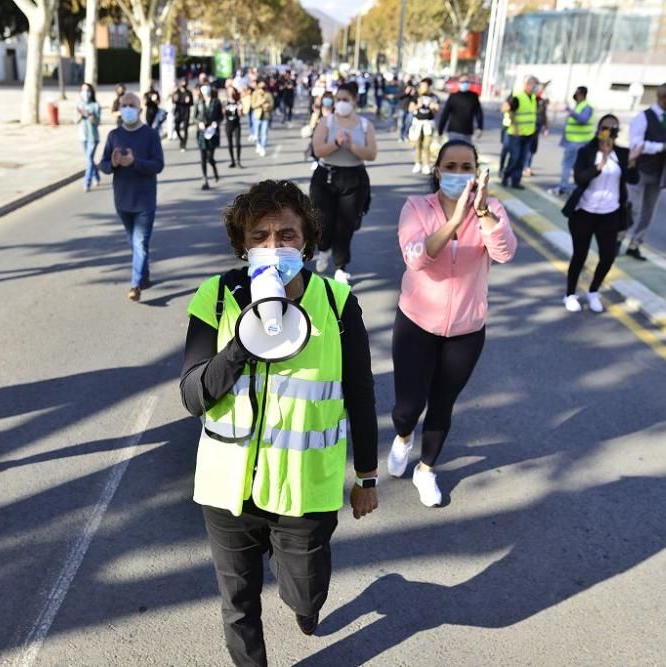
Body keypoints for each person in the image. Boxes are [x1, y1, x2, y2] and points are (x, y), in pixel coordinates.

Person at [180, 179, 379, 667]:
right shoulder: (217, 297)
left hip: (304, 490)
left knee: (305, 594)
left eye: (286, 235)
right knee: (238, 604)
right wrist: (242, 344)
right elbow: (192, 395)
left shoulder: (336, 302)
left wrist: (367, 477)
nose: (274, 247)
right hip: (228, 491)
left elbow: (360, 392)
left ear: (307, 241)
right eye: (260, 236)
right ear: (242, 245)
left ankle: (306, 609)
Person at [388, 141, 517, 506]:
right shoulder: (416, 208)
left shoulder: (491, 210)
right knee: (406, 408)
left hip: (466, 329)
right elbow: (415, 258)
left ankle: (426, 470)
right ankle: (402, 437)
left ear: (477, 171)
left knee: (442, 405)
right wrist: (454, 222)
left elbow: (505, 252)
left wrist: (483, 216)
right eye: (451, 165)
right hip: (416, 323)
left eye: (466, 166)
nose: (459, 173)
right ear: (438, 169)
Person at [560, 115, 642, 313]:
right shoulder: (586, 152)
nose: (608, 131)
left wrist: (632, 164)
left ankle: (593, 291)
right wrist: (600, 164)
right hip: (584, 212)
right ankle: (570, 294)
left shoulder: (622, 153)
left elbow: (633, 179)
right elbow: (580, 178)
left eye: (613, 128)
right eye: (605, 127)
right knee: (580, 255)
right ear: (598, 130)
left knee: (608, 256)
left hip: (610, 213)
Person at [99, 92, 165, 302]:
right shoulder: (114, 135)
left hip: (144, 201)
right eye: (123, 105)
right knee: (135, 242)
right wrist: (114, 163)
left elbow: (158, 165)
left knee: (139, 243)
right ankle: (144, 275)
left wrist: (135, 162)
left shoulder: (151, 135)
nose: (127, 108)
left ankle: (135, 285)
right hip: (122, 201)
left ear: (139, 110)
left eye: (131, 105)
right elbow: (103, 165)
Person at [309, 83, 378, 284]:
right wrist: (336, 143)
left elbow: (371, 154)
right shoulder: (326, 122)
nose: (341, 104)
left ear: (355, 100)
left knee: (345, 225)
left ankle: (341, 266)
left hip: (353, 178)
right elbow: (318, 150)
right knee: (323, 220)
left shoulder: (365, 125)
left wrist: (351, 145)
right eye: (338, 100)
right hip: (326, 177)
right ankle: (323, 249)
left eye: (345, 100)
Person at [624, 81, 666, 261]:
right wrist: (663, 146)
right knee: (632, 208)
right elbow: (636, 144)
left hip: (661, 171)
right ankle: (618, 239)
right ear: (663, 97)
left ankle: (635, 244)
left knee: (649, 212)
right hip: (640, 169)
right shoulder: (643, 117)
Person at [550, 86, 595, 197]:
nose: (575, 95)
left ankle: (564, 187)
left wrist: (570, 111)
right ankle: (572, 186)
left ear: (581, 94)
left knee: (567, 164)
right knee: (574, 165)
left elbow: (583, 120)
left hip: (578, 142)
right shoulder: (579, 106)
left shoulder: (586, 107)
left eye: (576, 93)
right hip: (573, 141)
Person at [501, 75, 539, 190]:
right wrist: (515, 127)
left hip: (529, 134)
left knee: (522, 159)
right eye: (534, 85)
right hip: (516, 134)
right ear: (527, 85)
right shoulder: (518, 96)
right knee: (514, 158)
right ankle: (506, 176)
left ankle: (515, 181)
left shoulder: (533, 97)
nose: (535, 87)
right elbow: (507, 109)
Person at [436, 73, 484, 144]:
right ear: (458, 83)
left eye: (467, 82)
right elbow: (445, 114)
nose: (465, 84)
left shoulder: (473, 97)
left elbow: (479, 113)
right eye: (462, 82)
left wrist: (480, 127)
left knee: (465, 153)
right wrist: (440, 131)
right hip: (453, 131)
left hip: (467, 132)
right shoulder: (453, 96)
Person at [195, 82, 224, 190]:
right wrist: (199, 123)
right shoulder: (198, 103)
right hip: (202, 132)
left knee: (209, 157)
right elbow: (195, 117)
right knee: (203, 157)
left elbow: (221, 116)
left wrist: (216, 122)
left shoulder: (216, 102)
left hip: (212, 132)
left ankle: (214, 168)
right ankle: (205, 180)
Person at [408, 78, 439, 175]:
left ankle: (426, 165)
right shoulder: (416, 96)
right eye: (421, 86)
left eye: (424, 86)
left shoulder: (434, 97)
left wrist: (433, 107)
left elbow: (436, 111)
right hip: (417, 123)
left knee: (426, 145)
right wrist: (418, 105)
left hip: (428, 124)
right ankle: (417, 163)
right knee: (417, 145)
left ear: (429, 87)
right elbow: (410, 108)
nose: (422, 88)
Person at [76, 83, 102, 192]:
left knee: (89, 159)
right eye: (83, 90)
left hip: (93, 137)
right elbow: (75, 121)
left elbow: (98, 122)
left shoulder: (95, 105)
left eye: (87, 90)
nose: (85, 93)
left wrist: (92, 118)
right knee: (89, 159)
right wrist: (81, 116)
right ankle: (97, 176)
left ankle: (87, 182)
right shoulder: (79, 104)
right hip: (83, 136)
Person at [524, 81, 549, 176]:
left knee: (532, 148)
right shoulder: (532, 98)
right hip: (529, 127)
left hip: (537, 128)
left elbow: (544, 115)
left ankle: (527, 167)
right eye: (541, 88)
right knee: (527, 148)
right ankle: (525, 167)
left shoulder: (542, 101)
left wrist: (545, 127)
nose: (542, 90)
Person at [251, 79, 275, 157]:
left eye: (263, 87)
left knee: (264, 133)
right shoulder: (255, 94)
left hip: (265, 115)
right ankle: (258, 144)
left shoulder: (268, 94)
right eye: (261, 87)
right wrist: (260, 103)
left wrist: (268, 106)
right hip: (257, 116)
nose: (262, 89)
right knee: (257, 133)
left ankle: (263, 147)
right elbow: (253, 105)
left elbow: (272, 104)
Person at [223, 85, 244, 169]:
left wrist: (240, 110)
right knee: (230, 144)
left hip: (236, 124)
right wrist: (223, 110)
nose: (231, 93)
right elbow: (223, 114)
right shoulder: (225, 102)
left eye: (232, 91)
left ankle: (238, 161)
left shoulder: (238, 102)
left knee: (238, 143)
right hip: (228, 124)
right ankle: (232, 161)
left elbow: (241, 115)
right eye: (229, 91)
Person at [172, 80, 194, 152]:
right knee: (176, 128)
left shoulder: (189, 92)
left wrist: (189, 101)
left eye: (185, 83)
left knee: (185, 129)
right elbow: (173, 100)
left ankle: (183, 144)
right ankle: (181, 139)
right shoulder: (177, 92)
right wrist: (174, 98)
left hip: (186, 112)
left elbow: (191, 103)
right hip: (178, 112)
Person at [398, 78, 417, 143]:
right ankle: (400, 136)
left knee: (409, 123)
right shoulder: (402, 87)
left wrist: (413, 94)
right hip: (402, 108)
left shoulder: (414, 89)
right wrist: (405, 92)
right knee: (401, 124)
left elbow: (416, 99)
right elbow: (398, 96)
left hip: (410, 109)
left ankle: (406, 135)